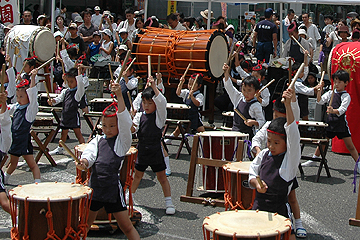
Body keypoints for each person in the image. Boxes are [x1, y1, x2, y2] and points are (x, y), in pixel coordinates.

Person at [76, 83, 140, 240]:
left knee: (126, 226)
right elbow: (90, 154)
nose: (108, 129)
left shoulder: (121, 143)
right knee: (85, 225)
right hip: (95, 189)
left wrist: (119, 95)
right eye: (104, 125)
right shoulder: (97, 140)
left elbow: (125, 123)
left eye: (112, 126)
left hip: (112, 191)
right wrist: (84, 161)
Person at [251, 96, 307, 238]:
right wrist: (256, 183)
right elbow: (252, 172)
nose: (271, 146)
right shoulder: (264, 154)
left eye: (276, 143)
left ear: (286, 143)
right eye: (269, 141)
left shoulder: (290, 159)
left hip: (279, 210)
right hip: (258, 208)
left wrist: (289, 104)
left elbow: (293, 133)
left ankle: (297, 224)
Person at [131, 76, 175, 215]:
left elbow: (162, 102)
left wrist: (154, 87)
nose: (146, 105)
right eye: (144, 102)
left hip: (156, 150)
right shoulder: (140, 116)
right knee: (137, 176)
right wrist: (127, 121)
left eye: (149, 103)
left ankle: (169, 202)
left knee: (162, 177)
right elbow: (133, 129)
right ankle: (129, 198)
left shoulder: (159, 117)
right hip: (142, 150)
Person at [302, 70, 360, 169]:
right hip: (329, 122)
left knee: (350, 146)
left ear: (346, 83)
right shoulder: (330, 93)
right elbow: (319, 101)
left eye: (339, 82)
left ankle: (358, 164)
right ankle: (314, 159)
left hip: (340, 123)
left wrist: (333, 110)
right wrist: (319, 91)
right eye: (335, 81)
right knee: (323, 142)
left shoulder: (346, 96)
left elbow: (342, 109)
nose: (336, 84)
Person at [4, 68, 40, 184]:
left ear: (28, 97)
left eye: (21, 97)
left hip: (23, 140)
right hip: (15, 140)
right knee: (13, 163)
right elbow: (6, 109)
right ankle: (4, 179)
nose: (18, 99)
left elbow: (33, 96)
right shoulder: (16, 107)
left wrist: (33, 78)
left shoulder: (30, 111)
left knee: (32, 164)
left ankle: (37, 182)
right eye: (18, 97)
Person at [48, 67, 86, 155]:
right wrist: (53, 101)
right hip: (65, 116)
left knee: (78, 134)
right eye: (68, 81)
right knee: (63, 134)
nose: (69, 84)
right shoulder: (66, 91)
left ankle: (84, 149)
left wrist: (79, 73)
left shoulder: (78, 93)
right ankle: (60, 148)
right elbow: (58, 99)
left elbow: (81, 85)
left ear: (76, 81)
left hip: (73, 116)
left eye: (71, 81)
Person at [223, 63, 265, 139]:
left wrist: (253, 122)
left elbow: (262, 121)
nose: (246, 93)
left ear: (256, 91)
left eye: (249, 90)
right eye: (244, 90)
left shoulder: (256, 105)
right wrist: (226, 73)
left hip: (247, 136)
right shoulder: (238, 97)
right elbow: (229, 87)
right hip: (235, 133)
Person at [165, 73, 205, 144]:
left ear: (199, 86)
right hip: (186, 116)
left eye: (192, 84)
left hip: (194, 116)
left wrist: (192, 97)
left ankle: (206, 142)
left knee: (201, 130)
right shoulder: (186, 92)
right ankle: (169, 140)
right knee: (178, 129)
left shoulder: (199, 95)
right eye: (189, 84)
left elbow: (198, 104)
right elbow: (178, 93)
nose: (190, 86)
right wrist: (181, 83)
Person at [0, 91, 12, 213]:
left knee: (4, 203)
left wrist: (3, 103)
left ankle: (23, 221)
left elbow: (4, 122)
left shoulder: (3, 141)